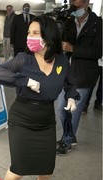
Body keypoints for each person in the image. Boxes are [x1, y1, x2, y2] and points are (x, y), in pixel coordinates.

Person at [0, 15, 79, 180]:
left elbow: (71, 83)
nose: (29, 36)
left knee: (47, 169)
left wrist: (72, 97)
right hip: (22, 118)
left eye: (35, 33)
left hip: (46, 121)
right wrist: (25, 81)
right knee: (19, 168)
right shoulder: (24, 59)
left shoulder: (62, 61)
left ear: (48, 37)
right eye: (29, 33)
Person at [56, 0, 102, 155]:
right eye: (73, 4)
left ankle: (67, 140)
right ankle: (70, 136)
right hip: (67, 73)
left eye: (78, 4)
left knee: (73, 112)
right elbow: (63, 41)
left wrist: (73, 48)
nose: (76, 7)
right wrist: (64, 23)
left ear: (87, 2)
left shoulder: (98, 23)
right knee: (61, 109)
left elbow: (97, 52)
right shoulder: (70, 20)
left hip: (84, 75)